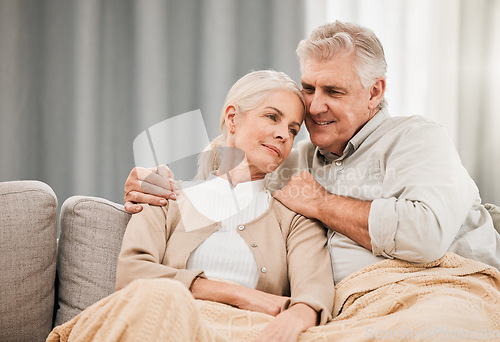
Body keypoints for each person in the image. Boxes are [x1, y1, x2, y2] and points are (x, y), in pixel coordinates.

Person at [124, 21, 500, 284]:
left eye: (333, 91)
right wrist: (148, 187)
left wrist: (321, 203)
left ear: (374, 92)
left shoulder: (417, 138)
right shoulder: (293, 160)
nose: (314, 108)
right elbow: (226, 183)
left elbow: (425, 234)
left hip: (441, 285)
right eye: (309, 88)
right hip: (347, 311)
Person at [47, 70, 334, 342]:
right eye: (272, 117)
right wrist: (240, 295)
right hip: (165, 323)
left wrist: (295, 316)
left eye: (293, 129)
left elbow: (313, 294)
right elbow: (133, 274)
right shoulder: (166, 196)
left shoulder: (295, 216)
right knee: (162, 298)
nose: (284, 134)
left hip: (244, 333)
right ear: (232, 118)